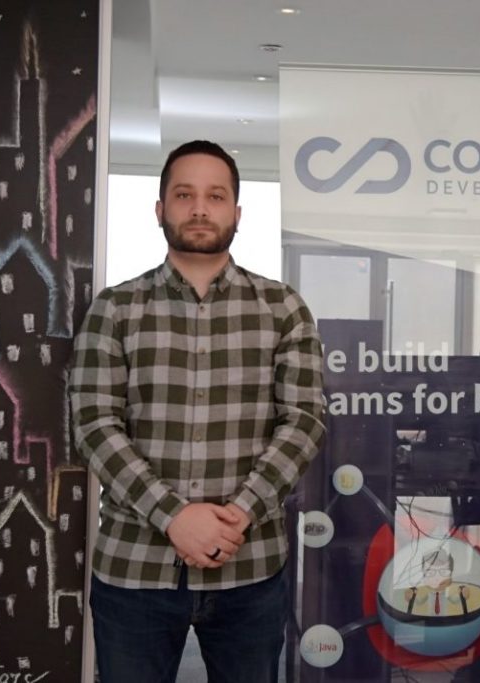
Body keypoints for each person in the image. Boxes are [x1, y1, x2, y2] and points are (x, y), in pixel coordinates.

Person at [70, 140, 326, 683]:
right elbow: (94, 424)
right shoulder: (115, 308)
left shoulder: (283, 308)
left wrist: (240, 514)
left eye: (216, 196)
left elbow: (304, 420)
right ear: (160, 209)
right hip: (134, 570)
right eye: (184, 195)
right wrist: (174, 517)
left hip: (250, 569)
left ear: (237, 212)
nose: (200, 209)